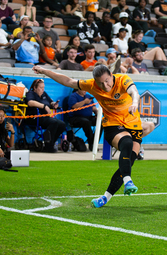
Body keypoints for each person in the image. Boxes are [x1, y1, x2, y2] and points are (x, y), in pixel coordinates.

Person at [32, 64, 143, 206]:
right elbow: (68, 81)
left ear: (111, 75)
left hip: (133, 125)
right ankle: (128, 180)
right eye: (100, 83)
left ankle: (105, 198)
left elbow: (134, 92)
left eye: (107, 80)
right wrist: (43, 71)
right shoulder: (91, 85)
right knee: (126, 142)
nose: (105, 85)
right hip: (113, 126)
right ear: (95, 81)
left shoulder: (123, 80)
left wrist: (134, 103)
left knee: (128, 161)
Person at [25, 78, 66, 152]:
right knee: (54, 122)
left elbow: (50, 102)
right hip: (34, 118)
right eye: (41, 88)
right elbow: (30, 102)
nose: (42, 89)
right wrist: (44, 106)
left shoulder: (44, 94)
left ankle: (50, 142)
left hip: (46, 119)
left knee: (62, 124)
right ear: (35, 87)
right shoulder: (30, 93)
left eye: (43, 87)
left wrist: (54, 104)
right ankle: (48, 146)